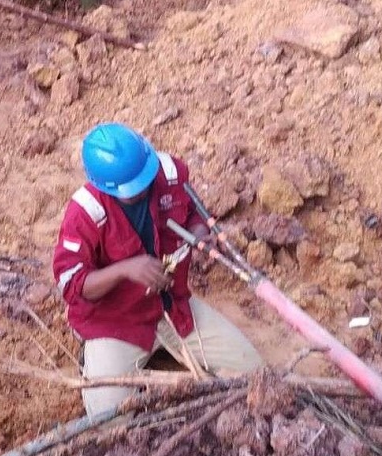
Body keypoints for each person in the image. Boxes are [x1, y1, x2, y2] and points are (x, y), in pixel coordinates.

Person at [52, 123, 263, 416]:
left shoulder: (169, 173)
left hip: (173, 308)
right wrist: (125, 269)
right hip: (117, 324)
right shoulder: (85, 213)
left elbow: (193, 213)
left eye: (145, 177)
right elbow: (72, 285)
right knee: (106, 419)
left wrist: (199, 234)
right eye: (132, 188)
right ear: (104, 186)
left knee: (255, 373)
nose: (143, 188)